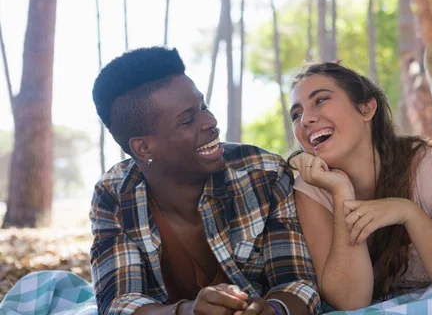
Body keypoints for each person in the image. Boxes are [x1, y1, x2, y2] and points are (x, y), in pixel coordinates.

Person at [90, 46, 320, 315]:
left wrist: (273, 310)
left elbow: (298, 283)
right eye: (188, 120)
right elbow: (119, 304)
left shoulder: (264, 175)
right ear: (144, 148)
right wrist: (188, 312)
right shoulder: (114, 196)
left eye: (204, 107)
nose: (211, 121)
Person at [288, 44, 432, 311]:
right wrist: (341, 193)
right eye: (296, 114)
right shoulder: (310, 189)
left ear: (366, 108)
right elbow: (349, 301)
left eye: (321, 99)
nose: (305, 120)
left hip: (423, 163)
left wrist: (408, 212)